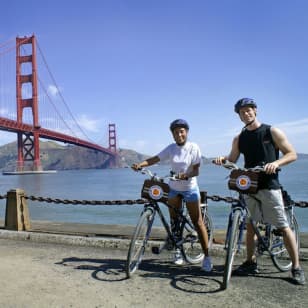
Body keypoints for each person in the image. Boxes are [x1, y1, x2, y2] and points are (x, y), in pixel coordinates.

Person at [213, 98, 305, 285]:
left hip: (269, 186)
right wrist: (223, 160)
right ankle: (250, 262)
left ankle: (296, 267)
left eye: (248, 110)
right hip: (249, 186)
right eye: (242, 112)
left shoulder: (271, 131)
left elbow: (292, 154)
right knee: (250, 225)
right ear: (239, 116)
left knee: (282, 225)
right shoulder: (239, 138)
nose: (246, 113)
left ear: (255, 111)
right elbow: (232, 160)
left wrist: (276, 163)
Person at [131, 119, 212, 272]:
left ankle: (207, 257)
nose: (179, 134)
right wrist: (140, 165)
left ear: (186, 132)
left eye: (181, 131)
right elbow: (155, 159)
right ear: (173, 135)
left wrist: (186, 175)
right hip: (173, 189)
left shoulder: (193, 147)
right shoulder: (171, 148)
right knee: (174, 222)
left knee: (198, 222)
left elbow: (196, 171)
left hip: (190, 188)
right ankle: (178, 252)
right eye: (176, 132)